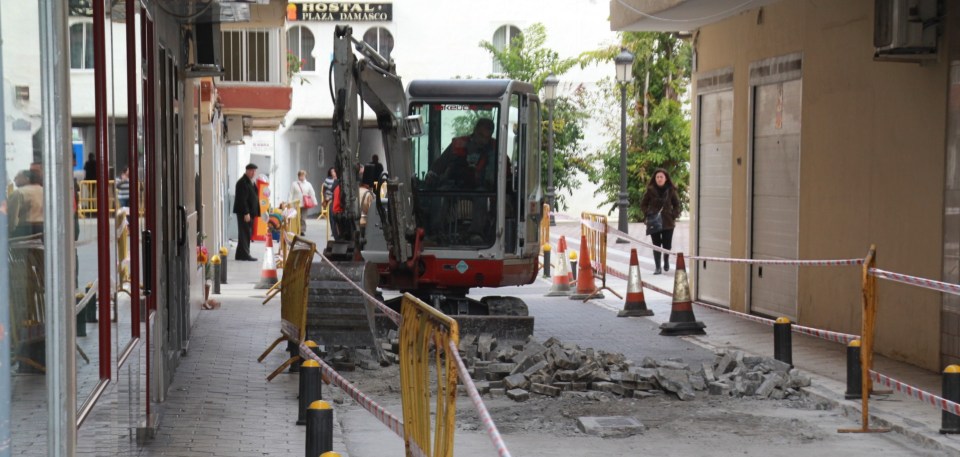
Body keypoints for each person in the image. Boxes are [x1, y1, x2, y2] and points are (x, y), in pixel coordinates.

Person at [640, 168, 682, 275]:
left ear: (666, 178)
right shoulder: (650, 190)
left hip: (668, 221)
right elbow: (643, 204)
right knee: (656, 244)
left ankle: (666, 260)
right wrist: (648, 213)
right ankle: (657, 267)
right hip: (654, 221)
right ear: (655, 178)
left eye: (661, 177)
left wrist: (673, 215)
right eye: (657, 177)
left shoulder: (671, 190)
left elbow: (677, 205)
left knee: (667, 245)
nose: (659, 179)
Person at [233, 163, 260, 261]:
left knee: (245, 233)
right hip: (245, 213)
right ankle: (245, 254)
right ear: (247, 171)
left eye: (255, 171)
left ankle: (239, 254)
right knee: (245, 233)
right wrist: (246, 213)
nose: (254, 173)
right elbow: (242, 199)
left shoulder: (250, 181)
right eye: (252, 171)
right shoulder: (242, 182)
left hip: (249, 212)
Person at [8, 170, 44, 238]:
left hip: (25, 231)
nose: (14, 179)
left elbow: (12, 216)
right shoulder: (45, 191)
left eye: (17, 177)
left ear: (27, 178)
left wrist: (10, 232)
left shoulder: (19, 193)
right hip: (44, 230)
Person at [289, 169, 317, 236]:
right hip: (296, 204)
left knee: (303, 218)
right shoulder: (294, 184)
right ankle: (296, 229)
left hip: (305, 204)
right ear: (298, 176)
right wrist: (289, 202)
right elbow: (290, 194)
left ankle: (302, 230)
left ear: (305, 176)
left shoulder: (308, 184)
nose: (302, 177)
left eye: (303, 175)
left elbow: (312, 193)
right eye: (300, 175)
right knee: (296, 217)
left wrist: (315, 202)